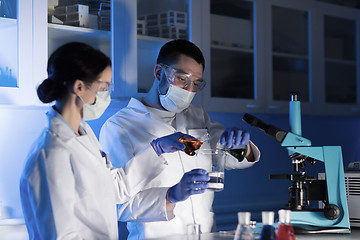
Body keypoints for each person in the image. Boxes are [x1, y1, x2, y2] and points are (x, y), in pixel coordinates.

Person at [19, 42, 210, 240]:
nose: (108, 95)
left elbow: (115, 190)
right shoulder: (52, 153)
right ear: (79, 87)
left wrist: (157, 149)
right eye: (104, 88)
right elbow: (59, 235)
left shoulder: (84, 136)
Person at [99, 39, 261, 239]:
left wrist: (241, 147)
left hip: (206, 235)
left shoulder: (196, 115)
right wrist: (171, 195)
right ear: (159, 73)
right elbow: (118, 207)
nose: (189, 90)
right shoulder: (120, 126)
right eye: (182, 79)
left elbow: (228, 157)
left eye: (196, 83)